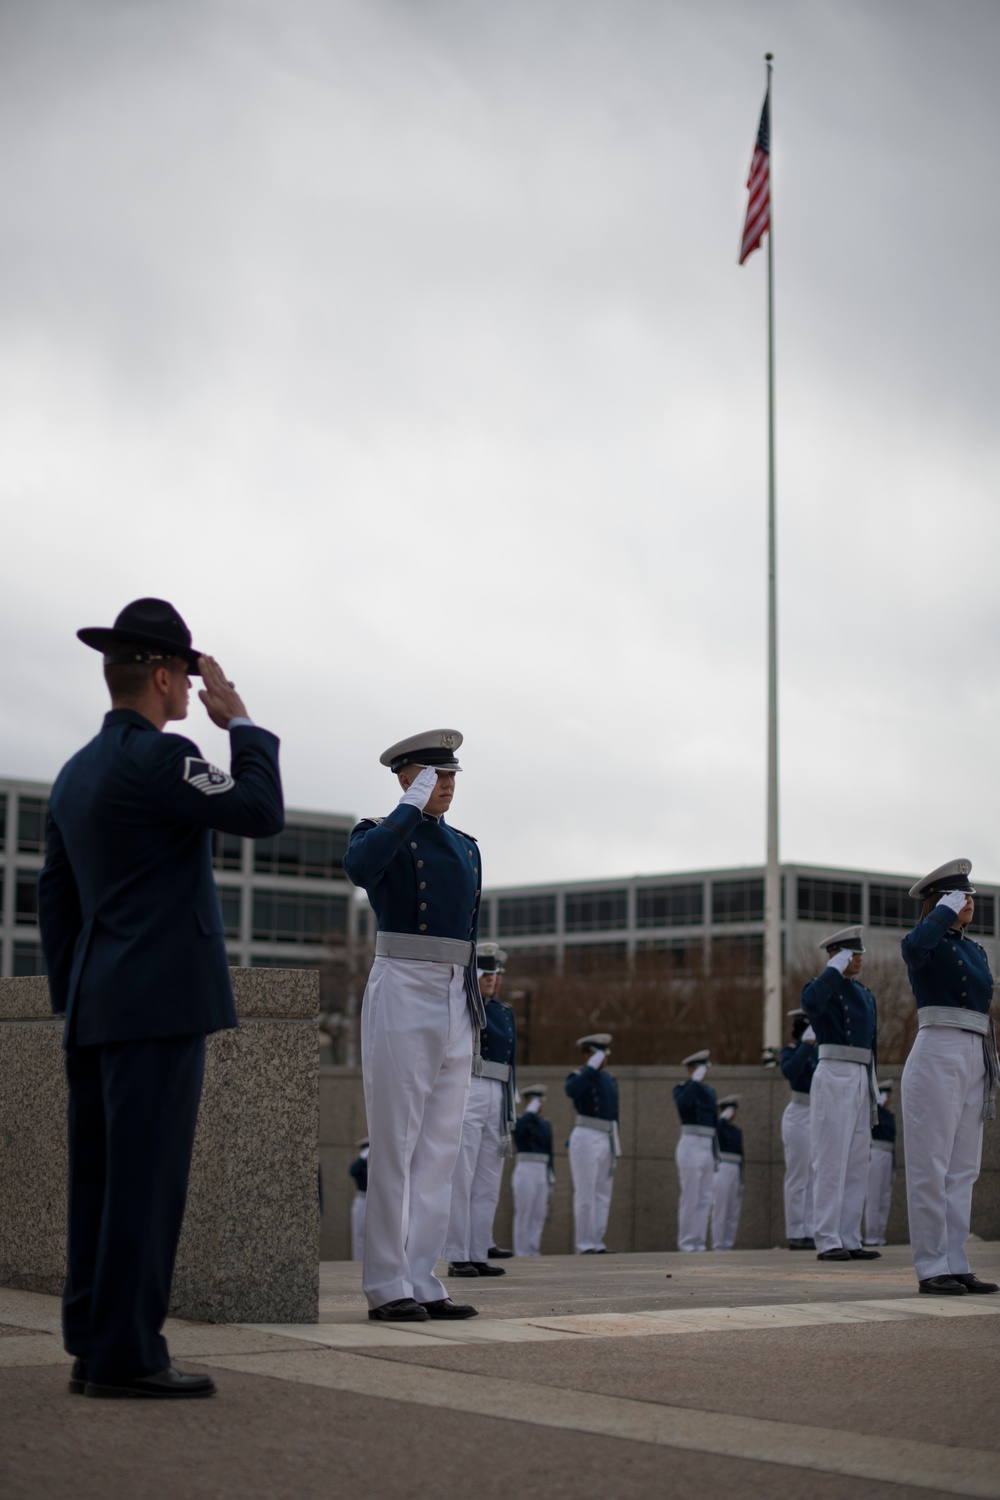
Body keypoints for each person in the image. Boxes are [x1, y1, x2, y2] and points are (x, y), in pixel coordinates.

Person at [37, 597, 283, 1399]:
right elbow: (259, 811)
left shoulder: (74, 773)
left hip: (97, 1005)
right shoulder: (161, 757)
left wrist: (77, 994)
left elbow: (57, 902)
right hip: (160, 1004)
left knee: (100, 1185)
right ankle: (129, 1355)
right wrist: (240, 723)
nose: (194, 691)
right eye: (189, 675)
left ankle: (93, 1341)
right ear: (167, 675)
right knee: (145, 1187)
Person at [342, 729, 484, 1322]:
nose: (445, 786)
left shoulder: (467, 846)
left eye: (450, 777)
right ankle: (386, 1282)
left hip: (456, 990)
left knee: (440, 1147)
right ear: (406, 776)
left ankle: (424, 1276)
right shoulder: (379, 834)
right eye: (433, 776)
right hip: (403, 984)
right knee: (396, 1143)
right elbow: (361, 869)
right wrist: (406, 808)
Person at [900, 858, 999, 1296]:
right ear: (940, 901)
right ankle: (931, 1265)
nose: (970, 902)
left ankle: (956, 1260)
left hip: (974, 1052)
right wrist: (940, 915)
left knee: (963, 1169)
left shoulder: (974, 950)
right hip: (937, 1050)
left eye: (971, 896)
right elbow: (913, 947)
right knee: (931, 1166)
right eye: (960, 897)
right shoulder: (929, 943)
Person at [801, 926, 881, 1263]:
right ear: (837, 955)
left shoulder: (864, 994)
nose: (859, 958)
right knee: (831, 1159)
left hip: (860, 1076)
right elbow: (810, 1003)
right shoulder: (823, 988)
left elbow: (872, 1044)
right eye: (852, 953)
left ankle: (849, 1236)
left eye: (860, 953)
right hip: (833, 1072)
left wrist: (873, 1086)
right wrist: (832, 970)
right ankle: (827, 1238)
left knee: (857, 1161)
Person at [446, 943, 516, 1278]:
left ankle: (477, 1251)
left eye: (497, 974)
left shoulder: (504, 1012)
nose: (493, 980)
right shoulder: (464, 1004)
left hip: (498, 1093)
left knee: (488, 1179)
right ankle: (458, 1254)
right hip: (471, 1087)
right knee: (462, 1175)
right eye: (487, 974)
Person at [565, 1033, 619, 1253]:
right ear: (587, 1054)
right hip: (586, 1136)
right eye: (598, 1054)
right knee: (585, 1192)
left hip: (606, 1136)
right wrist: (590, 1068)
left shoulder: (609, 1079)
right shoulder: (579, 1076)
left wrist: (616, 1143)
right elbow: (572, 1091)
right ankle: (584, 1243)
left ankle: (597, 1241)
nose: (604, 1059)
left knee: (603, 1193)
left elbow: (615, 1113)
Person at [780, 1009, 818, 1249]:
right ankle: (795, 1231)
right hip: (798, 1113)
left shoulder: (819, 1053)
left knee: (814, 1175)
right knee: (797, 1175)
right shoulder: (792, 1051)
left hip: (817, 1112)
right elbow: (790, 1072)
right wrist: (805, 1046)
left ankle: (811, 1230)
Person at [673, 1049, 717, 1252]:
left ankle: (699, 1241)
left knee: (705, 1197)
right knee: (690, 1196)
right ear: (691, 1069)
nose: (703, 1073)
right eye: (699, 1068)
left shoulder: (709, 1091)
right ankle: (686, 1242)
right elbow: (683, 1103)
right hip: (690, 1144)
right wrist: (694, 1081)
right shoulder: (682, 1089)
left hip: (707, 1144)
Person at [512, 1084, 554, 1257]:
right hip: (526, 1168)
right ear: (528, 1101)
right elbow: (518, 1131)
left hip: (541, 1170)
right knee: (524, 1212)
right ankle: (521, 1251)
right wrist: (530, 1111)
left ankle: (533, 1249)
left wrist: (551, 1174)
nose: (540, 1105)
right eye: (536, 1101)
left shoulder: (545, 1124)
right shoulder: (521, 1120)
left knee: (538, 1213)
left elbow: (550, 1151)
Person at [862, 1084, 895, 1247]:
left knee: (884, 1197)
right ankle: (871, 1236)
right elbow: (873, 1123)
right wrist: (878, 1105)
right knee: (873, 1196)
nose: (889, 1099)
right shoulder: (877, 1112)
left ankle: (880, 1235)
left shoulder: (889, 1115)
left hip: (888, 1155)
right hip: (875, 1153)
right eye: (886, 1095)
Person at [709, 1095, 743, 1251]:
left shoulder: (736, 1130)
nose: (734, 1114)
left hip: (735, 1168)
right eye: (732, 1110)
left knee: (732, 1210)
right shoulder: (718, 1127)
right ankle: (718, 1245)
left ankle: (728, 1244)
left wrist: (742, 1178)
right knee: (720, 1209)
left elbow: (742, 1155)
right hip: (722, 1167)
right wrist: (721, 1118)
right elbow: (715, 1131)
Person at [349, 1137, 369, 1262]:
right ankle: (357, 1262)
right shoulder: (361, 1163)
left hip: (377, 1202)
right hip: (362, 1198)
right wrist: (363, 1158)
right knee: (359, 1237)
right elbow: (353, 1171)